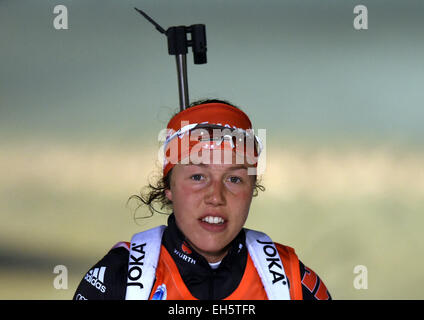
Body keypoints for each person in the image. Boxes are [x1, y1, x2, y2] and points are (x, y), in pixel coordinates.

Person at [73, 99, 332, 300]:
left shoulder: (291, 282)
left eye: (234, 179)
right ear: (169, 187)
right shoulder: (118, 279)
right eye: (198, 176)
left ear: (253, 189)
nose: (215, 197)